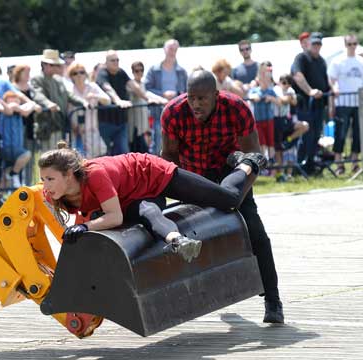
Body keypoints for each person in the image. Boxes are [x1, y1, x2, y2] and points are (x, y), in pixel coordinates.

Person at [161, 69, 284, 324]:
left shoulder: (236, 108)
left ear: (216, 95)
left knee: (255, 231)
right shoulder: (173, 112)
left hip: (232, 173)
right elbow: (168, 158)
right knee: (194, 237)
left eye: (202, 99)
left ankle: (273, 300)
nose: (195, 104)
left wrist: (240, 198)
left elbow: (254, 157)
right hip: (193, 176)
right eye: (191, 98)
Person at [39, 141, 266, 263]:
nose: (45, 185)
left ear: (69, 175)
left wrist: (84, 227)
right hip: (130, 197)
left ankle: (247, 163)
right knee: (147, 212)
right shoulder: (54, 194)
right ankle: (178, 241)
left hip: (153, 174)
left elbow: (114, 217)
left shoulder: (95, 174)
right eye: (42, 179)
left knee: (229, 200)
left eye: (50, 179)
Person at [31, 49, 87, 152]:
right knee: (48, 157)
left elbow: (68, 95)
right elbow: (37, 94)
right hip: (47, 125)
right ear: (46, 65)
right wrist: (48, 104)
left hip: (60, 124)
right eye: (54, 65)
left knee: (59, 156)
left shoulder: (58, 80)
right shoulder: (37, 79)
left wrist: (83, 102)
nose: (58, 67)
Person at [291, 32, 330, 174]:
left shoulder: (321, 61)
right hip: (304, 106)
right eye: (314, 43)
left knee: (315, 136)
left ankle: (310, 166)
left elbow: (327, 82)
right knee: (305, 136)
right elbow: (297, 76)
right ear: (309, 44)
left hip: (319, 106)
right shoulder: (301, 57)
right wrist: (310, 91)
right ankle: (299, 167)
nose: (317, 46)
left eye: (319, 44)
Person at [145, 39, 188, 155]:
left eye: (175, 49)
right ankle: (154, 165)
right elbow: (146, 88)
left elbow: (186, 91)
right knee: (158, 138)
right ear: (164, 49)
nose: (172, 51)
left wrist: (176, 93)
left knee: (178, 138)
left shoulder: (182, 71)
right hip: (159, 109)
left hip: (177, 109)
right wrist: (162, 94)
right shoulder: (154, 70)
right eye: (170, 48)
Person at [328, 34, 363, 174]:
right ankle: (339, 164)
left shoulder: (361, 61)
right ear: (345, 45)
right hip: (343, 102)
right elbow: (331, 78)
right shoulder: (338, 61)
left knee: (358, 134)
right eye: (350, 44)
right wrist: (334, 88)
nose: (352, 47)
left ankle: (355, 162)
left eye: (354, 44)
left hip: (359, 103)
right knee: (340, 133)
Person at [67, 62, 110, 158]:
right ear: (71, 76)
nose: (79, 75)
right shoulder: (69, 90)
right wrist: (74, 126)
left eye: (81, 72)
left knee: (98, 158)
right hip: (76, 133)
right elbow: (68, 111)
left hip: (92, 130)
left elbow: (107, 101)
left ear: (85, 74)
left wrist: (95, 96)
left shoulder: (93, 87)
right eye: (75, 73)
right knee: (79, 161)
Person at [273, 74, 309, 182]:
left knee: (304, 126)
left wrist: (280, 98)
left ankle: (289, 175)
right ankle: (279, 175)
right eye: (281, 81)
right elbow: (285, 100)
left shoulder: (290, 90)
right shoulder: (276, 89)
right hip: (276, 121)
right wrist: (282, 98)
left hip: (286, 121)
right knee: (278, 149)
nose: (283, 84)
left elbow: (292, 101)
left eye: (286, 82)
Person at [248, 62, 280, 164]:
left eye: (267, 78)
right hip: (258, 121)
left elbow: (279, 102)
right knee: (262, 142)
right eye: (262, 78)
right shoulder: (255, 91)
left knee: (270, 141)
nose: (265, 81)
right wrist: (255, 98)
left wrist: (271, 99)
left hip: (269, 120)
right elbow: (250, 97)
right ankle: (263, 160)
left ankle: (271, 159)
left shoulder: (271, 91)